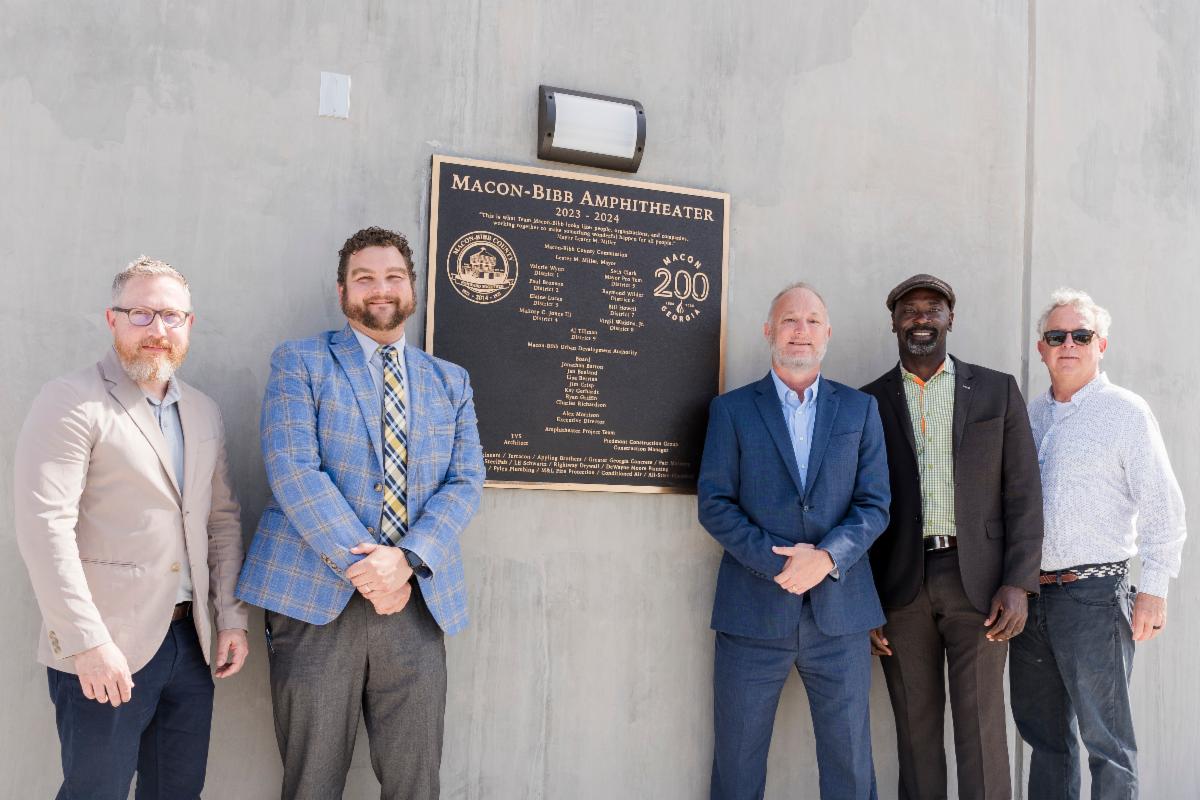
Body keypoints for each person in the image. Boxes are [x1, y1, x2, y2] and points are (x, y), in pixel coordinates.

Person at [236, 226, 485, 800]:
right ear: (343, 289)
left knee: (415, 781)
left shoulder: (451, 381)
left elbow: (466, 481)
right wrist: (369, 570)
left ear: (412, 288)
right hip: (318, 600)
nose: (381, 289)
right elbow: (295, 470)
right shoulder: (300, 361)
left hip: (416, 602)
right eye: (365, 277)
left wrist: (405, 561)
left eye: (393, 276)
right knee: (313, 781)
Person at [14, 256, 250, 800]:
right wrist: (86, 641)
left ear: (189, 325)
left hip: (191, 644)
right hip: (104, 649)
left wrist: (230, 618)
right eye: (140, 314)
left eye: (170, 316)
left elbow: (221, 522)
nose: (157, 330)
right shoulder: (72, 400)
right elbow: (45, 527)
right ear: (112, 319)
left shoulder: (203, 411)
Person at [698, 282, 890, 800]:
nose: (800, 330)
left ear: (827, 333)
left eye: (811, 321)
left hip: (841, 618)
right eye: (789, 320)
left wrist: (827, 558)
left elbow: (875, 505)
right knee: (737, 764)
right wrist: (782, 563)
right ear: (768, 331)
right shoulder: (732, 410)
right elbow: (714, 504)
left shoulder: (859, 410)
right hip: (752, 613)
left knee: (850, 763)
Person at [860, 274, 1043, 800]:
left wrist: (1018, 582)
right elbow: (860, 506)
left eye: (932, 309)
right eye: (910, 310)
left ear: (950, 320)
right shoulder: (867, 401)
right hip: (900, 589)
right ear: (894, 322)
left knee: (982, 731)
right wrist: (866, 601)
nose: (921, 317)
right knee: (915, 737)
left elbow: (1024, 494)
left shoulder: (995, 389)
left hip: (982, 586)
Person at [1011, 287, 1187, 800]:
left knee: (1107, 744)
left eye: (1081, 335)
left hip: (1094, 599)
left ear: (1100, 345)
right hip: (1031, 602)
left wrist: (1154, 589)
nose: (1069, 343)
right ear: (1041, 348)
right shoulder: (1030, 415)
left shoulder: (1126, 413)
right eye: (1056, 335)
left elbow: (1164, 508)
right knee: (1045, 742)